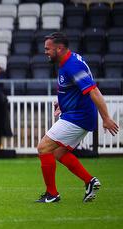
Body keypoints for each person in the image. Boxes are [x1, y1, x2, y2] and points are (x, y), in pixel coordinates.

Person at [36, 32, 119, 203]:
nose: (45, 52)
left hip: (78, 117)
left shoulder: (72, 65)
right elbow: (73, 89)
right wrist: (62, 104)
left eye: (48, 49)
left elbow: (94, 91)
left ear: (59, 49)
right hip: (75, 114)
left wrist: (106, 118)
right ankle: (89, 181)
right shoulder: (69, 60)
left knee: (43, 147)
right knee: (58, 152)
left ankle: (52, 195)